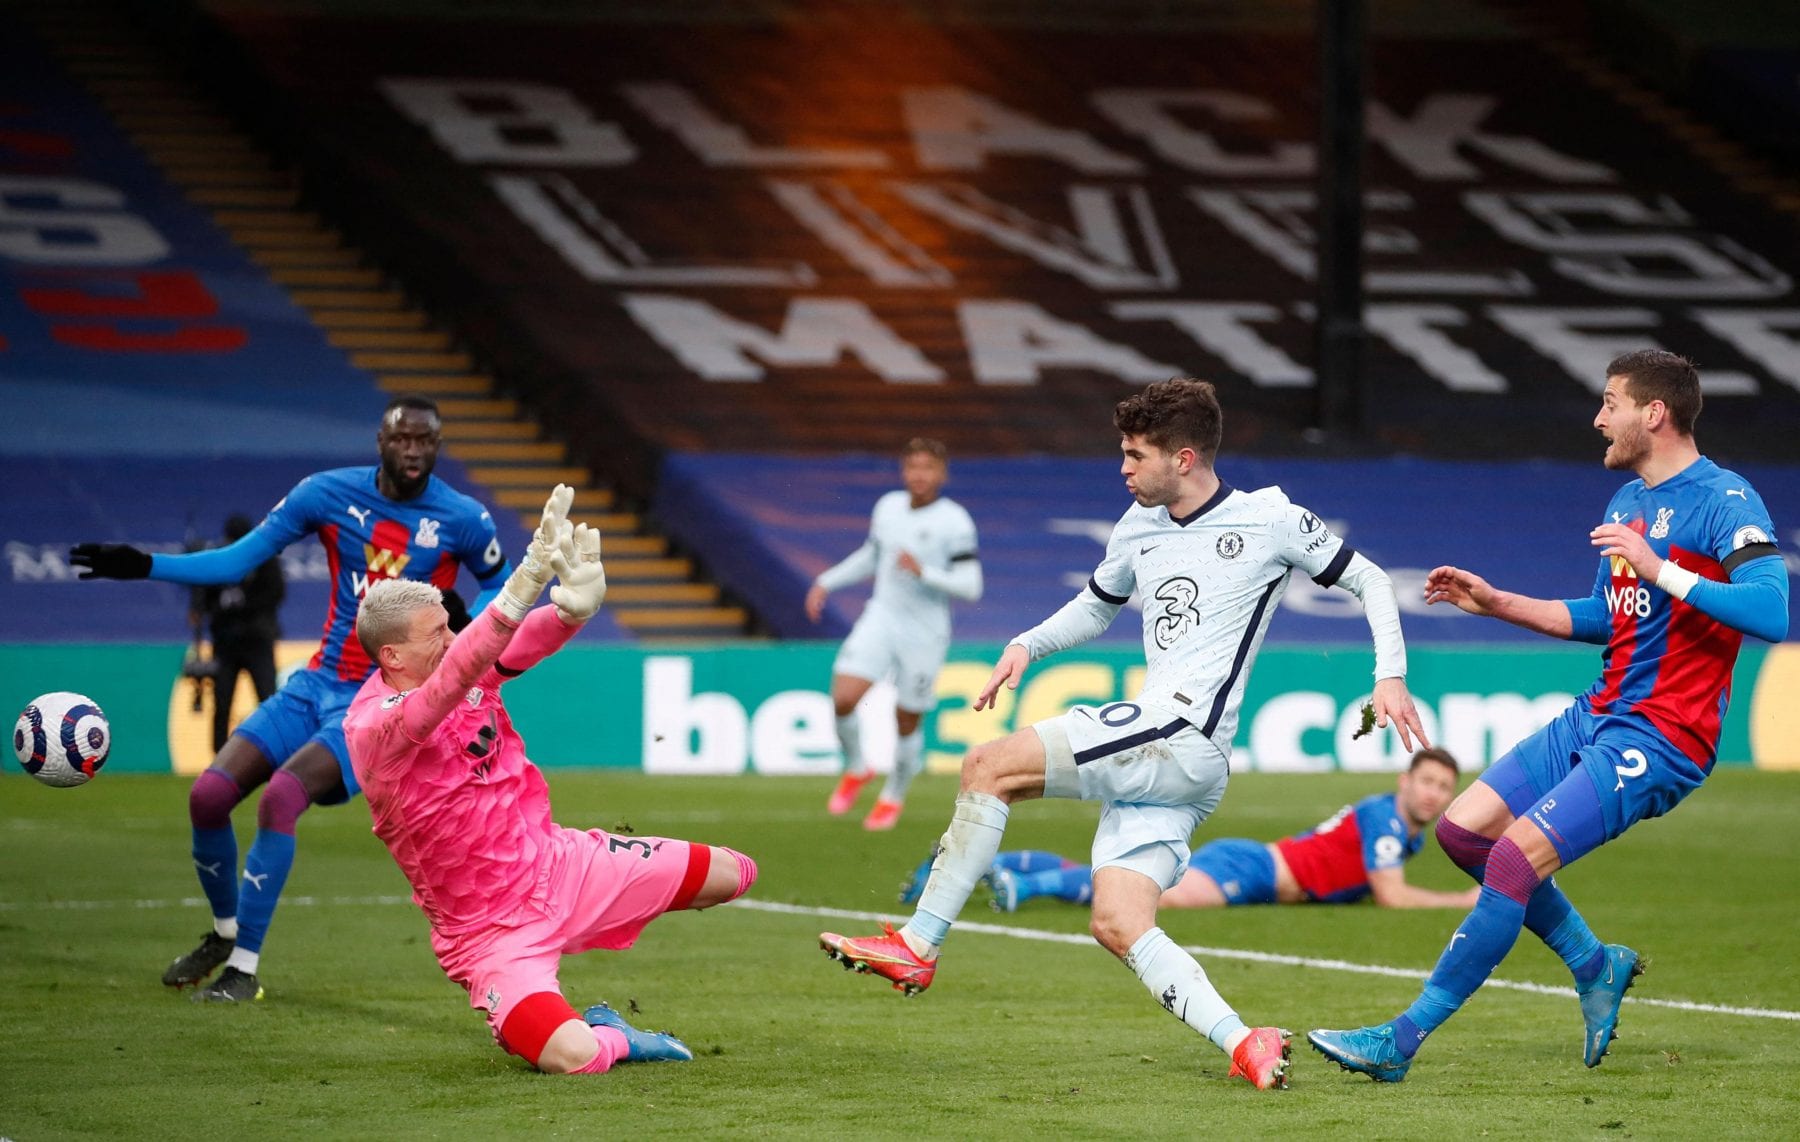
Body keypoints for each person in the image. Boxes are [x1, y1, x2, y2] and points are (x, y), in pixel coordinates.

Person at [818, 377, 1430, 1092]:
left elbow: (1373, 581)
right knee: (1117, 920)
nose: (1123, 467)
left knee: (987, 764)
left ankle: (918, 943)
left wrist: (1390, 675)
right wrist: (1028, 645)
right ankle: (1246, 1042)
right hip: (1177, 761)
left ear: (1187, 457)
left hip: (1179, 733)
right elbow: (1095, 606)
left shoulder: (1270, 519)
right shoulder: (1138, 526)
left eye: (1136, 454)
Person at [1309, 350, 1789, 1083]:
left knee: (1511, 857)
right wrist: (1497, 600)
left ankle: (1398, 1043)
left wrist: (1662, 568)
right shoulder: (1625, 505)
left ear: (1653, 414)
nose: (1598, 418)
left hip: (1663, 737)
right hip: (1597, 713)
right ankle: (1595, 964)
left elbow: (1770, 609)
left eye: (1610, 402)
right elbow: (1607, 616)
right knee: (1464, 833)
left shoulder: (1727, 500)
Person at [69, 394, 512, 1003]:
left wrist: (466, 622)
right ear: (380, 442)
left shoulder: (463, 518)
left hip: (379, 702)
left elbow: (504, 591)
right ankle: (225, 933)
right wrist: (144, 564)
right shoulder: (326, 494)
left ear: (437, 446)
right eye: (402, 438)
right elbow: (236, 562)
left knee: (282, 796)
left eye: (426, 440)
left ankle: (244, 971)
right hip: (316, 681)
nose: (413, 450)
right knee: (209, 795)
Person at [343, 486, 758, 1075]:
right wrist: (522, 581)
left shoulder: (458, 664)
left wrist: (569, 612)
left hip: (560, 867)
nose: (452, 637)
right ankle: (617, 1035)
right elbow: (453, 679)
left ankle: (607, 935)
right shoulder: (373, 728)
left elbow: (506, 651)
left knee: (733, 873)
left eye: (450, 625)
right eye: (435, 632)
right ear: (391, 656)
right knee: (573, 1056)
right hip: (489, 933)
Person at [922, 748, 1477, 913]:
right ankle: (1026, 886)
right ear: (1406, 781)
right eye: (1426, 781)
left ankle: (994, 864)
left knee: (1134, 890)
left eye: (1442, 787)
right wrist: (1463, 899)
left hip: (1259, 866)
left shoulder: (1393, 820)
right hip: (1254, 869)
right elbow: (1390, 894)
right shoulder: (1387, 822)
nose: (1433, 794)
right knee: (1148, 902)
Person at [806, 438, 982, 831]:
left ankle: (892, 796)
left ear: (941, 474)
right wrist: (826, 581)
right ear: (904, 471)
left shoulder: (954, 521)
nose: (919, 475)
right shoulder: (887, 507)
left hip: (925, 630)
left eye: (928, 468)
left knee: (906, 718)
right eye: (913, 467)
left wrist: (925, 573)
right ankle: (857, 767)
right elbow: (873, 555)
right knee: (844, 697)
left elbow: (971, 586)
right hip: (881, 616)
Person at [190, 513, 286, 751]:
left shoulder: (265, 559)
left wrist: (239, 606)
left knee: (268, 700)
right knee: (222, 702)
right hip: (226, 643)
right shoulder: (221, 559)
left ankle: (274, 751)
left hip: (257, 641)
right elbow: (204, 594)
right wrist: (204, 607)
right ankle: (219, 756)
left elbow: (276, 593)